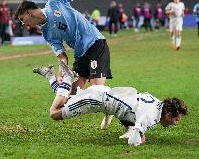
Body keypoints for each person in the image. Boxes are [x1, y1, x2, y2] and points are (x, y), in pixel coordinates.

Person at [33, 61, 188, 146]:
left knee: (66, 97)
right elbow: (133, 141)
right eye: (176, 119)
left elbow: (131, 113)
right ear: (168, 114)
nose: (175, 123)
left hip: (104, 93)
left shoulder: (157, 102)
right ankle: (67, 77)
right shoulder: (152, 117)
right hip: (96, 99)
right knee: (54, 112)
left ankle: (50, 76)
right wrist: (140, 137)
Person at [15, 0, 112, 93]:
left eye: (23, 20)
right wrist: (62, 71)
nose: (24, 25)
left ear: (29, 13)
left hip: (94, 43)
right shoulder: (47, 33)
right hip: (80, 53)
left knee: (97, 91)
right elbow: (62, 56)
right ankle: (53, 81)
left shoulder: (54, 1)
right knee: (71, 94)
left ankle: (118, 105)